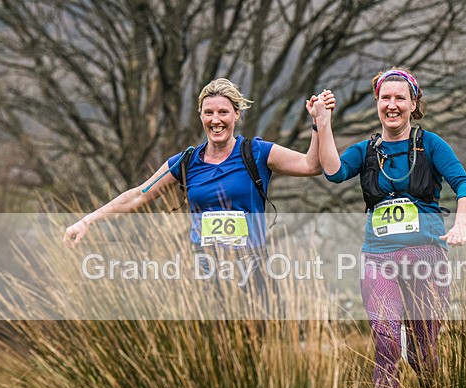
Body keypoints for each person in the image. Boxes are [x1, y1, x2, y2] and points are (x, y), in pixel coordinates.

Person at [311, 68, 466, 388]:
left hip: (426, 257)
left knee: (422, 352)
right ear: (378, 104)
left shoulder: (430, 144)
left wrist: (461, 224)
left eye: (400, 98)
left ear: (413, 104)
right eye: (386, 98)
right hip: (378, 258)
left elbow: (465, 186)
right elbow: (333, 172)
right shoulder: (368, 151)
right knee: (386, 342)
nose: (392, 105)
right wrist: (323, 124)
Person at [64, 78, 334, 315]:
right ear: (201, 116)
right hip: (204, 270)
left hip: (251, 271)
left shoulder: (257, 152)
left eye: (223, 112)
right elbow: (138, 196)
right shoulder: (186, 162)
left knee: (249, 357)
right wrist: (88, 220)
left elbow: (310, 166)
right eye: (209, 113)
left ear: (237, 115)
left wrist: (318, 123)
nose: (216, 120)